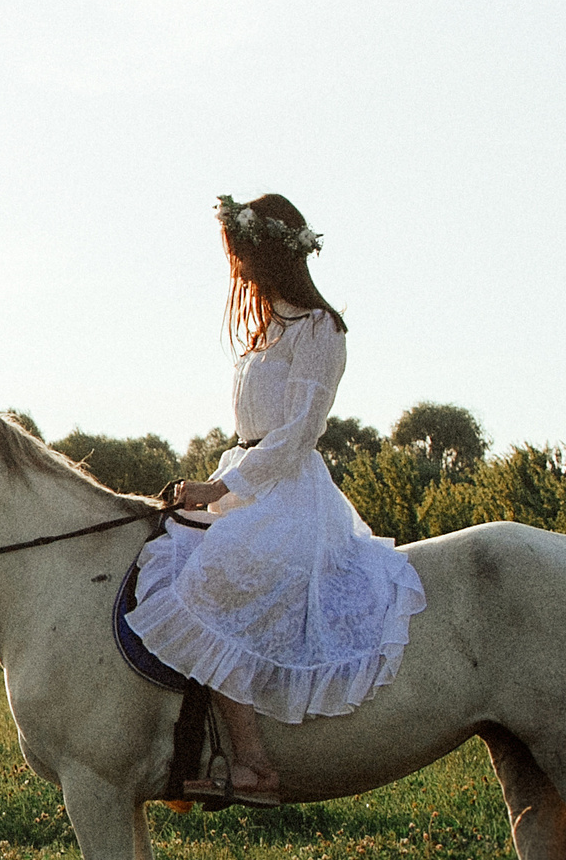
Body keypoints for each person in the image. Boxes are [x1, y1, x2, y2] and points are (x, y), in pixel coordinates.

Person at [127, 193, 426, 806]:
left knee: (219, 574)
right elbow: (250, 435)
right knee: (169, 553)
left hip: (290, 492)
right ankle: (188, 745)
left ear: (268, 254)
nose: (237, 270)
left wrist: (222, 488)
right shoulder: (264, 332)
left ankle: (255, 765)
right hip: (246, 476)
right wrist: (216, 484)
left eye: (242, 256)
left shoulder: (320, 329)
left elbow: (295, 434)